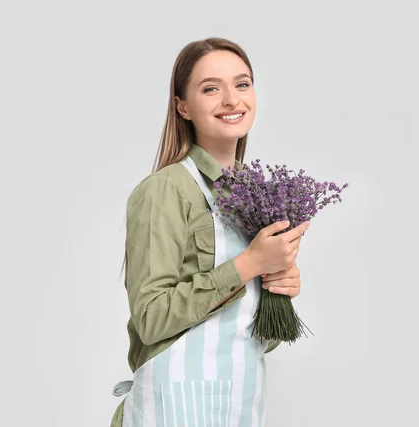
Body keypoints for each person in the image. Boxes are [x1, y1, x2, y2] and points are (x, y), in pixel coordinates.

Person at [110, 37, 310, 427]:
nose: (232, 100)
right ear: (182, 106)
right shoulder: (166, 189)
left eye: (242, 83)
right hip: (173, 407)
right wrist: (248, 264)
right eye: (210, 88)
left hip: (238, 403)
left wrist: (278, 293)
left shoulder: (255, 198)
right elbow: (151, 318)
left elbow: (252, 339)